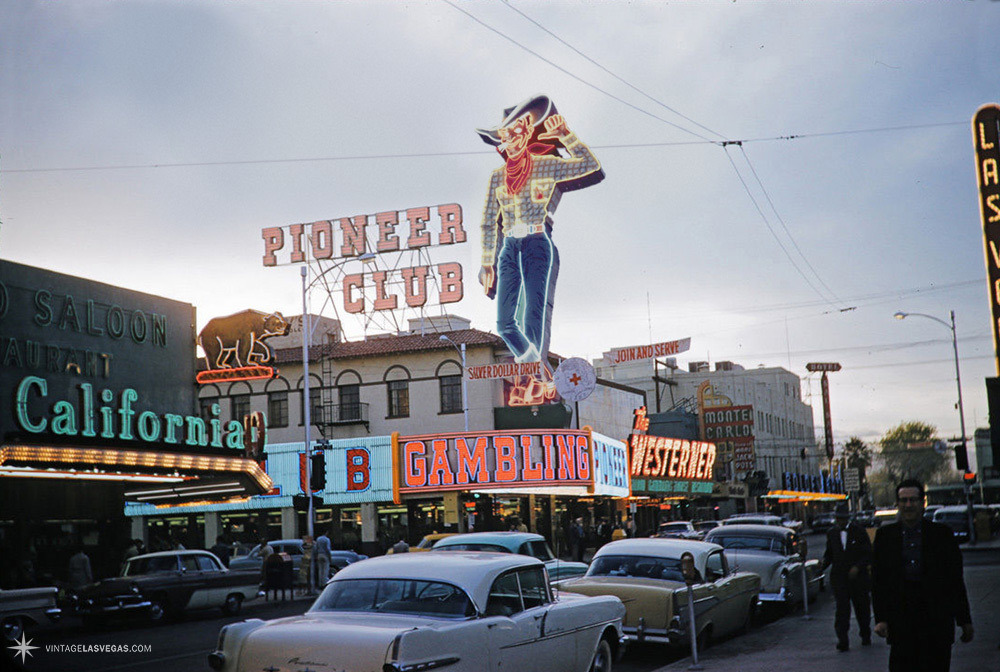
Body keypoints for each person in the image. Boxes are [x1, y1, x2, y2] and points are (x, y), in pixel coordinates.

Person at [477, 94, 604, 406]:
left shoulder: (546, 166)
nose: (512, 140)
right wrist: (487, 263)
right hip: (509, 246)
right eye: (506, 137)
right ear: (501, 145)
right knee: (505, 322)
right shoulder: (497, 177)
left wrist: (566, 136)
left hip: (536, 242)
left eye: (518, 134)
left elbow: (590, 166)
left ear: (526, 136)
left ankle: (536, 375)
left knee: (534, 311)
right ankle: (535, 366)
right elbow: (488, 222)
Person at [872, 478, 974, 671]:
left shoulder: (942, 535)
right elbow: (879, 581)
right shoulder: (885, 537)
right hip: (901, 624)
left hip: (936, 622)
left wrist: (964, 619)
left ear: (922, 502)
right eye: (903, 500)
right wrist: (881, 618)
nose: (908, 505)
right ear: (898, 504)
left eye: (913, 500)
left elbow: (954, 580)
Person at [823, 502, 872, 651]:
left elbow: (868, 553)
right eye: (838, 519)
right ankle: (842, 639)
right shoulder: (832, 533)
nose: (840, 521)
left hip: (858, 579)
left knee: (862, 608)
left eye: (843, 519)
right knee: (842, 610)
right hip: (840, 578)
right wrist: (822, 566)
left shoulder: (859, 531)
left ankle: (865, 634)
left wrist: (858, 567)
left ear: (847, 518)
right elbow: (830, 554)